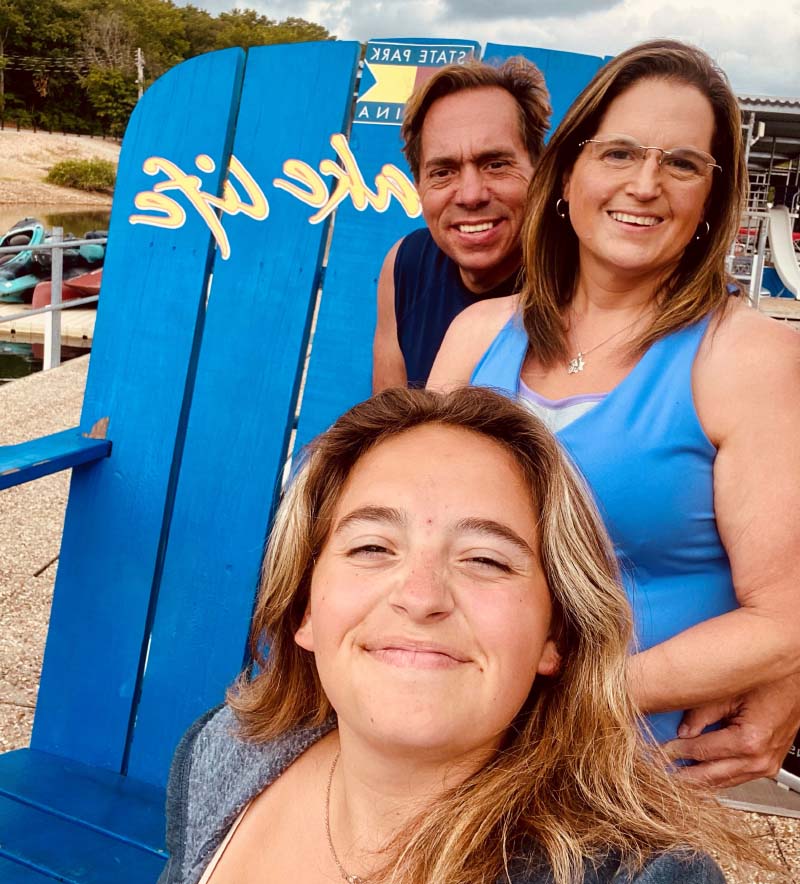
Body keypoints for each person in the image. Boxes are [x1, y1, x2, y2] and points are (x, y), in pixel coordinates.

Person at [158, 387, 759, 884]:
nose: (420, 598)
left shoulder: (638, 877)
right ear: (305, 611)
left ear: (557, 635)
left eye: (486, 560)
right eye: (371, 547)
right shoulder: (225, 752)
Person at [428, 39, 800, 787]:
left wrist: (562, 702)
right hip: (447, 741)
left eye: (683, 164)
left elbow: (786, 619)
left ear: (710, 201)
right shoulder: (476, 337)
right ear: (569, 172)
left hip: (617, 777)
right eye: (620, 153)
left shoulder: (747, 357)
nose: (647, 184)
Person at [372, 58, 550, 391]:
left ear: (538, 171)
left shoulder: (582, 282)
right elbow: (388, 425)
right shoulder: (405, 266)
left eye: (496, 164)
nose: (471, 195)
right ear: (419, 185)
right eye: (443, 172)